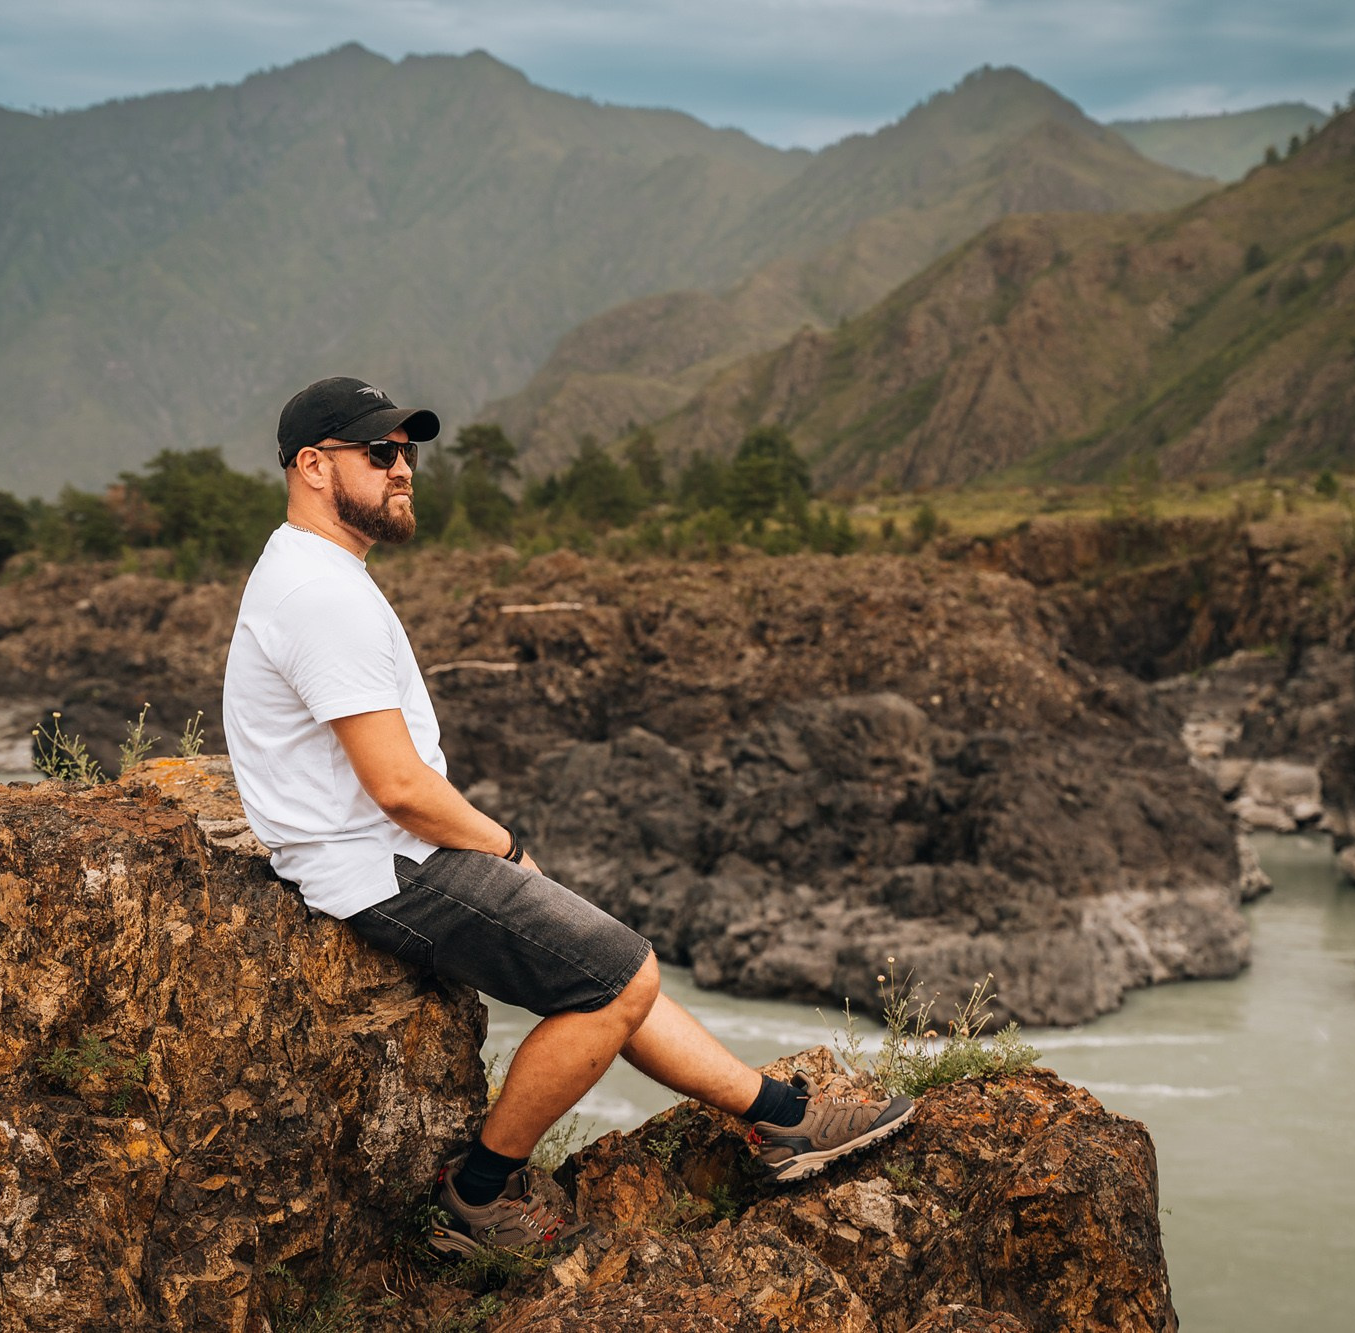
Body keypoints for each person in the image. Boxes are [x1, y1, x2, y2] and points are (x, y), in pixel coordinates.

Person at [222, 375, 913, 1254]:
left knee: (619, 967)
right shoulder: (321, 593)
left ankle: (782, 1119)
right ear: (314, 466)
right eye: (382, 453)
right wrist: (509, 847)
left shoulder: (311, 570)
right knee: (618, 978)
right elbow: (397, 786)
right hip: (382, 863)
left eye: (409, 452)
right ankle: (479, 1194)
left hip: (377, 849)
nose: (405, 470)